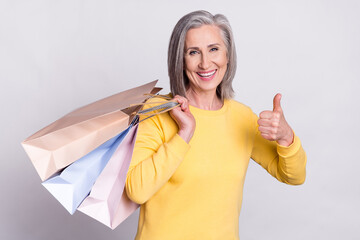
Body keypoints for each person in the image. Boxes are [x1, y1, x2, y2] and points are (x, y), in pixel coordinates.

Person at [125, 10, 306, 240]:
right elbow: (136, 191)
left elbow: (295, 176)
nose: (205, 63)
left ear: (227, 56)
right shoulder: (158, 111)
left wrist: (286, 137)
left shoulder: (242, 118)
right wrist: (184, 133)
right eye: (193, 52)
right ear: (180, 60)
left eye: (213, 49)